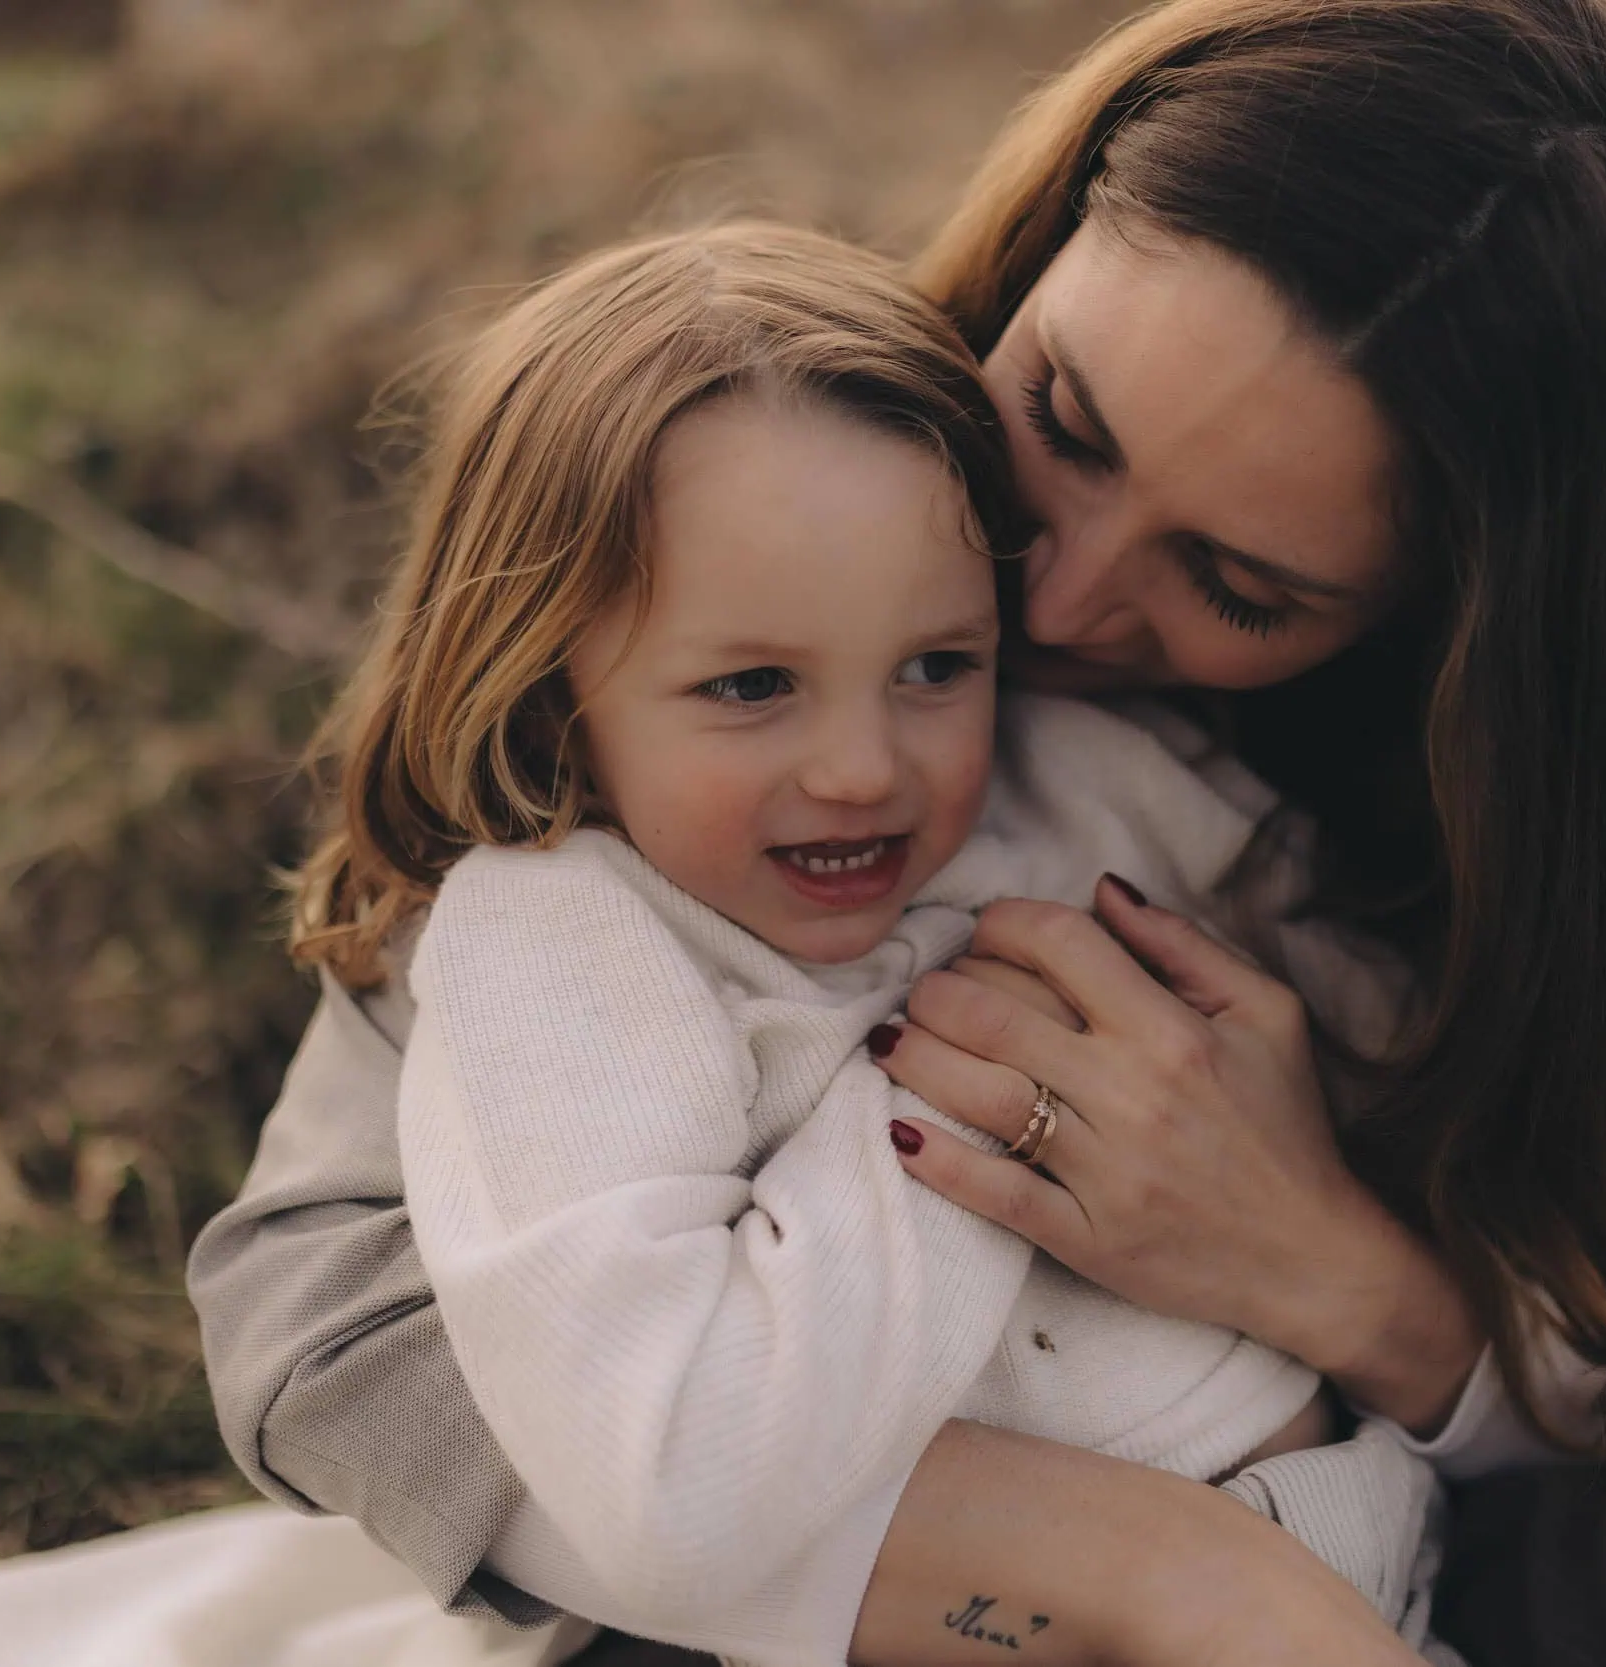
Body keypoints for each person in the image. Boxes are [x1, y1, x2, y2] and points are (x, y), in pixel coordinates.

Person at [190, 2, 1606, 1664]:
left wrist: (1334, 1266)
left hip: (1422, 1519)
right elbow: (315, 1312)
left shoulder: (1395, 823)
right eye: (1066, 416)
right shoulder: (772, 517)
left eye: (1234, 576)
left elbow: (1593, 1392)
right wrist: (1139, 1569)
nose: (1051, 598)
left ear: (1451, 632)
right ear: (1049, 234)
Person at [314, 219, 1442, 1663]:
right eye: (751, 684)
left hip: (1378, 1563)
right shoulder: (566, 948)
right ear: (551, 685)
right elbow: (670, 1478)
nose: (864, 767)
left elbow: (1445, 1084)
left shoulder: (1082, 775)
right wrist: (954, 1103)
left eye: (934, 665)